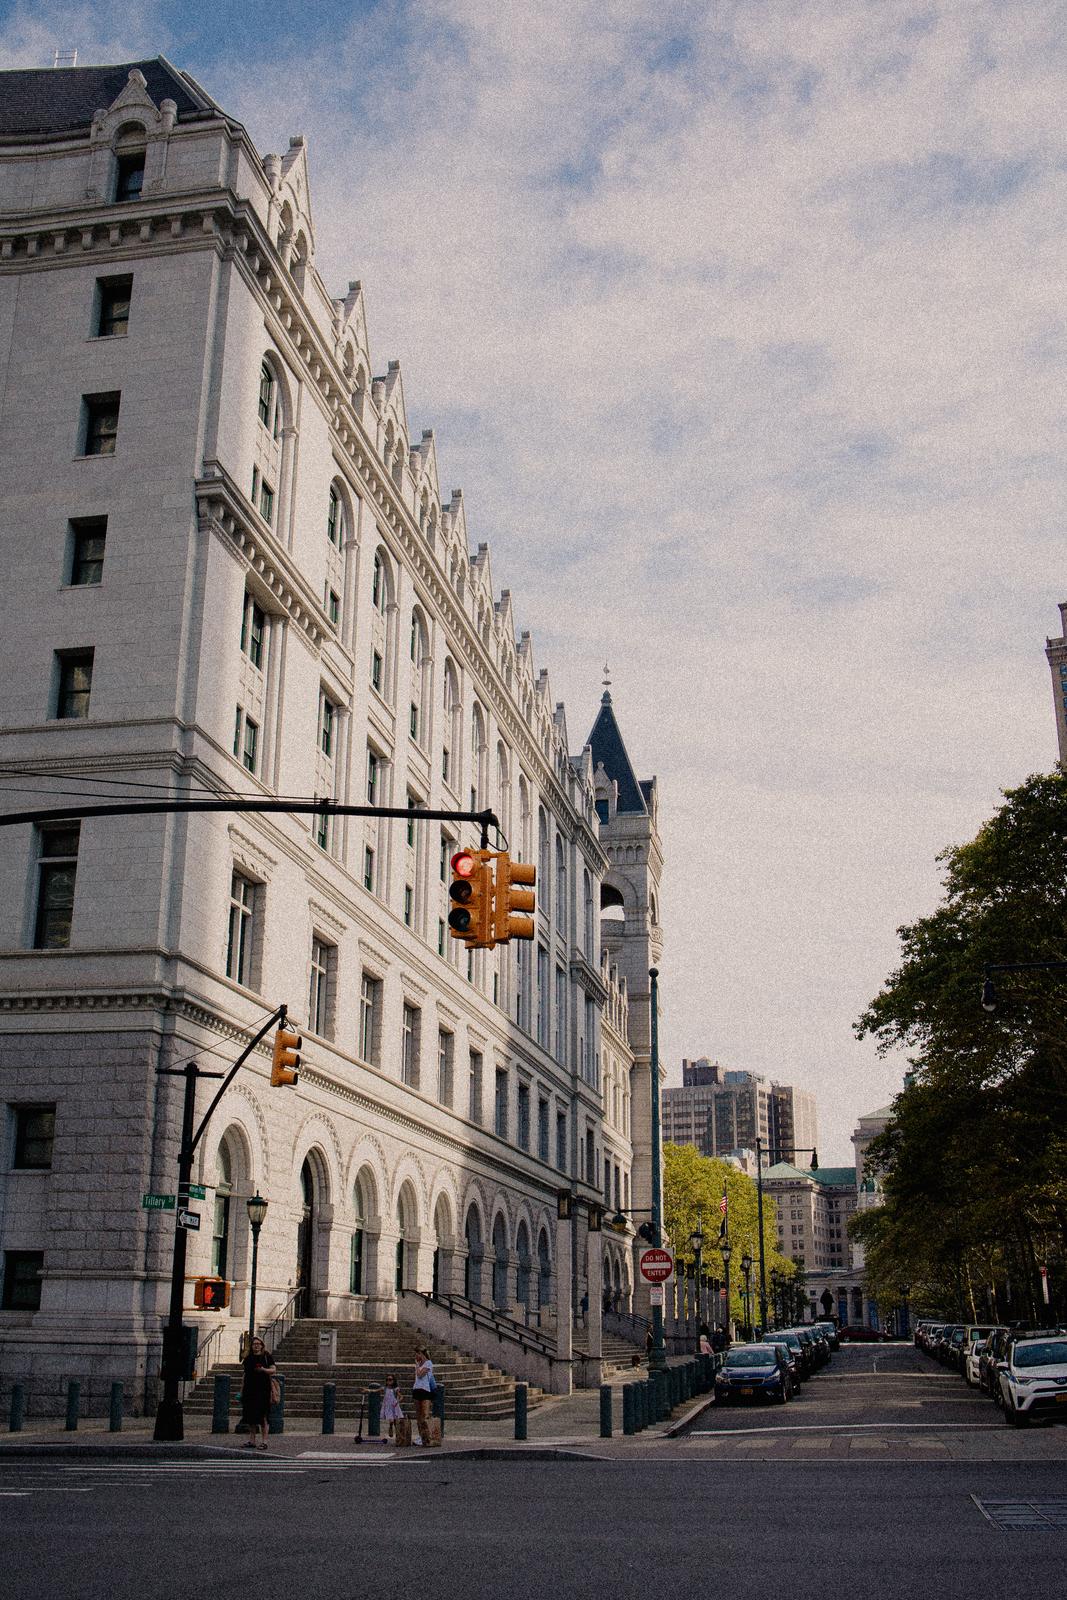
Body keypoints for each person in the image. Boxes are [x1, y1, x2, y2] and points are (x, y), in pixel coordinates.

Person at [239, 1336, 276, 1450]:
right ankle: (252, 1440)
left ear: (262, 1345)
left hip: (263, 1390)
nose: (256, 1346)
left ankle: (264, 1441)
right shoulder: (248, 1358)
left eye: (258, 1344)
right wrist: (241, 1390)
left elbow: (273, 1370)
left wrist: (263, 1369)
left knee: (263, 1416)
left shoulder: (266, 1356)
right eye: (254, 1344)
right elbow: (245, 1375)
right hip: (250, 1389)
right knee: (251, 1417)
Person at [412, 1347, 437, 1447]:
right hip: (417, 1389)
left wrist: (417, 1365)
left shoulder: (428, 1363)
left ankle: (427, 1435)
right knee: (418, 1415)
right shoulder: (418, 1364)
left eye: (417, 1354)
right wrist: (417, 1365)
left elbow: (420, 1375)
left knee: (425, 1414)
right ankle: (421, 1435)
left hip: (425, 1390)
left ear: (421, 1354)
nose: (415, 1356)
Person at [381, 1372, 404, 1443]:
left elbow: (401, 1396)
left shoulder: (395, 1389)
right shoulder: (385, 1388)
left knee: (396, 1422)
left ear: (393, 1381)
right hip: (388, 1406)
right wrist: (368, 1390)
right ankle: (391, 1427)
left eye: (390, 1379)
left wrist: (397, 1402)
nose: (388, 1381)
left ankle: (398, 1436)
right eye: (387, 1380)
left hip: (394, 1406)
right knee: (391, 1420)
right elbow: (376, 1390)